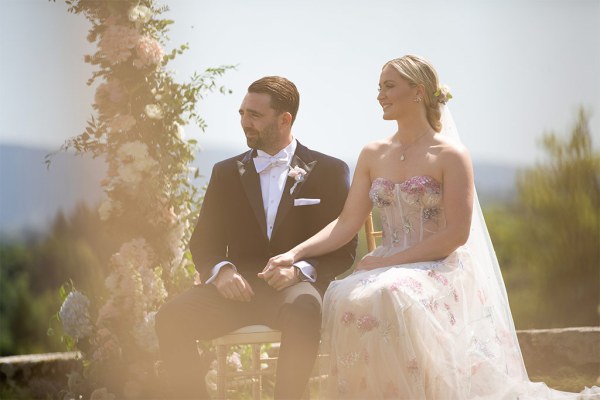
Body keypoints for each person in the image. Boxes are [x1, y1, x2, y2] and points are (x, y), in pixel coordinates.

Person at [267, 56, 600, 399]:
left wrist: (386, 263)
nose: (380, 95)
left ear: (419, 91)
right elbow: (346, 222)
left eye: (389, 86)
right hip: (385, 267)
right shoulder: (372, 153)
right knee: (342, 293)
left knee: (390, 292)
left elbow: (456, 234)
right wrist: (294, 253)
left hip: (438, 267)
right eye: (379, 87)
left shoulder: (450, 155)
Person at [155, 76, 357, 399]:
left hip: (294, 293)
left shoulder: (330, 171)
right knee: (170, 318)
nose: (244, 123)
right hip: (236, 294)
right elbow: (203, 241)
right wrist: (222, 272)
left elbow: (345, 247)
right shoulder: (225, 173)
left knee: (306, 308)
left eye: (254, 116)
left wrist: (299, 272)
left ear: (284, 119)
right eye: (242, 114)